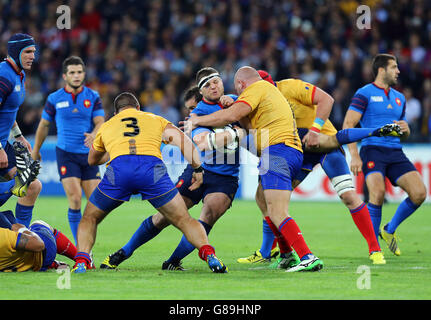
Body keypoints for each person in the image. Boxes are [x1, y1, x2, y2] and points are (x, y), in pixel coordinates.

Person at [100, 69, 247, 271]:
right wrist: (237, 132)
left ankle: (173, 261)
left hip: (226, 176)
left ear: (222, 82)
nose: (213, 86)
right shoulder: (196, 115)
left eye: (216, 82)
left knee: (209, 215)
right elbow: (203, 143)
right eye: (207, 85)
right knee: (166, 216)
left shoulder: (235, 101)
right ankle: (124, 252)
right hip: (198, 171)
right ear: (200, 92)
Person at [237, 70, 386, 267]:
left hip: (324, 144)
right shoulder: (256, 104)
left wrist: (315, 131)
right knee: (266, 195)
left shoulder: (289, 87)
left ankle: (375, 248)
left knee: (348, 195)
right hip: (298, 149)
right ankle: (268, 251)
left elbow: (327, 100)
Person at [72, 92, 227, 274]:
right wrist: (198, 169)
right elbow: (183, 141)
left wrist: (115, 148)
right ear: (138, 108)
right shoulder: (155, 119)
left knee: (89, 218)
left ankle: (81, 261)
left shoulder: (107, 126)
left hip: (119, 171)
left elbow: (92, 160)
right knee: (184, 219)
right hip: (152, 170)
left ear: (116, 113)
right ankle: (209, 255)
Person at [187, 66, 324, 272]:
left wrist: (197, 120)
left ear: (242, 84)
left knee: (277, 211)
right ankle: (287, 254)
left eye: (238, 89)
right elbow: (249, 126)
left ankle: (307, 256)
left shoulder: (256, 88)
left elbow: (230, 116)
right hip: (285, 151)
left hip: (278, 151)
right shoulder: (267, 92)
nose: (239, 93)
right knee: (262, 199)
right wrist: (233, 104)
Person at [343, 53, 427, 256]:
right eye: (394, 67)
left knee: (419, 193)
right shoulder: (364, 93)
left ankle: (388, 230)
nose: (398, 71)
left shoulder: (399, 98)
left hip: (395, 152)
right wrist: (354, 155)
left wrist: (405, 130)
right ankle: (375, 249)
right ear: (382, 70)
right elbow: (348, 125)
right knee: (378, 194)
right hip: (373, 150)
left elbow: (403, 133)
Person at [31, 56, 105, 244]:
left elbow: (100, 123)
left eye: (79, 72)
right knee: (75, 199)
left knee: (96, 204)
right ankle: (81, 248)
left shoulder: (93, 96)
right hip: (66, 153)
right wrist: (36, 150)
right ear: (65, 75)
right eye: (72, 72)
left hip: (89, 155)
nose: (76, 75)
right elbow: (44, 126)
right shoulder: (54, 98)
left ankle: (87, 246)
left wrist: (94, 134)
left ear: (84, 74)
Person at [0, 33, 42, 227]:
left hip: (4, 143)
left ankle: (21, 234)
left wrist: (18, 135)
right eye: (28, 52)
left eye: (34, 51)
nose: (32, 56)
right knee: (23, 184)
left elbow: (8, 110)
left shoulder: (19, 74)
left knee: (32, 185)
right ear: (16, 53)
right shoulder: (3, 76)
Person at [0, 214, 78, 272]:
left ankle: (53, 264)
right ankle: (80, 258)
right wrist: (21, 229)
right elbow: (39, 245)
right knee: (38, 223)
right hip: (42, 256)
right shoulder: (3, 236)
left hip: (18, 263)